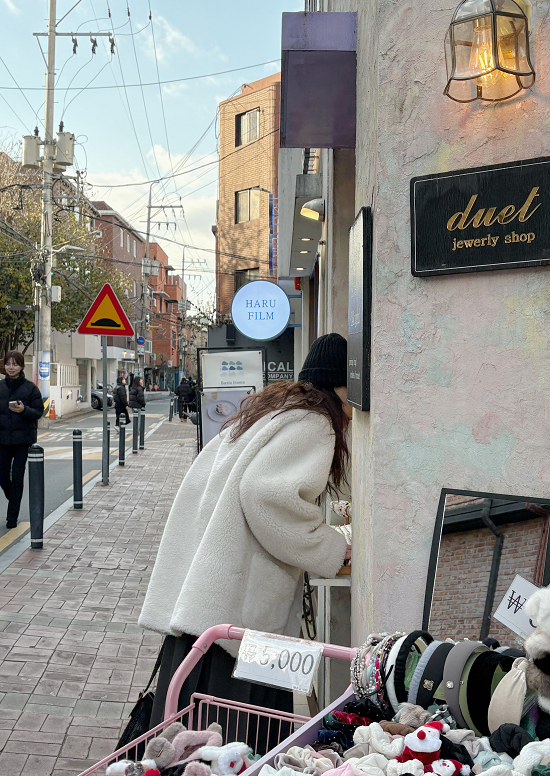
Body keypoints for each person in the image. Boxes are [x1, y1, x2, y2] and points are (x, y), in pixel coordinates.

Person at [139, 333, 352, 737]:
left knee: (188, 734)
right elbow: (267, 496)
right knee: (236, 735)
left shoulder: (272, 412)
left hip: (208, 600)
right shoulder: (315, 423)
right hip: (240, 617)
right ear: (340, 385)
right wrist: (329, 546)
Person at [0, 351, 43, 529]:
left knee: (17, 478)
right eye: (8, 364)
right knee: (2, 476)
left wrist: (24, 410)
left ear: (22, 366)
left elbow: (39, 412)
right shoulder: (0, 387)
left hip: (23, 440)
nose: (11, 367)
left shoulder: (30, 388)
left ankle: (12, 517)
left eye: (15, 364)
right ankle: (14, 497)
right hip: (2, 439)